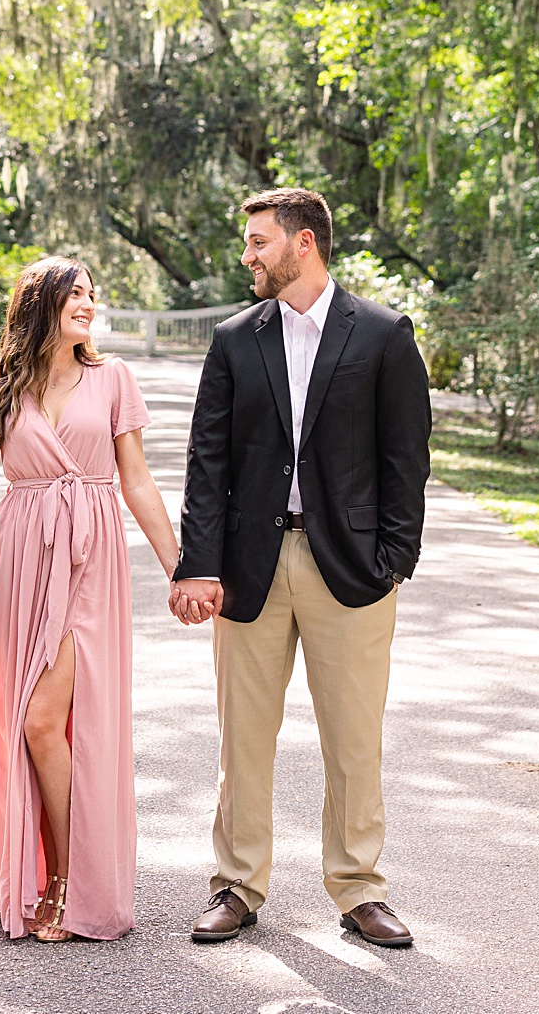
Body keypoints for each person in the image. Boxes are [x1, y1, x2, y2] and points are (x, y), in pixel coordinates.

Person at [170, 188, 430, 947]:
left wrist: (393, 561)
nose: (247, 256)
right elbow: (205, 462)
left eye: (257, 242)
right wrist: (199, 564)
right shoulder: (232, 339)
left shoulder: (383, 335)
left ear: (303, 243)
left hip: (349, 568)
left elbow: (406, 460)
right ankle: (237, 885)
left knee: (354, 739)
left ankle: (359, 891)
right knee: (242, 737)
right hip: (249, 568)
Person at [0, 255, 185, 942]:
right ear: (41, 303)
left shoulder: (113, 378)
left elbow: (138, 482)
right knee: (35, 724)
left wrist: (181, 566)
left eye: (94, 294)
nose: (89, 304)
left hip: (90, 557)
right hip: (20, 558)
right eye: (76, 295)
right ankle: (43, 873)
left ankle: (67, 880)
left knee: (48, 720)